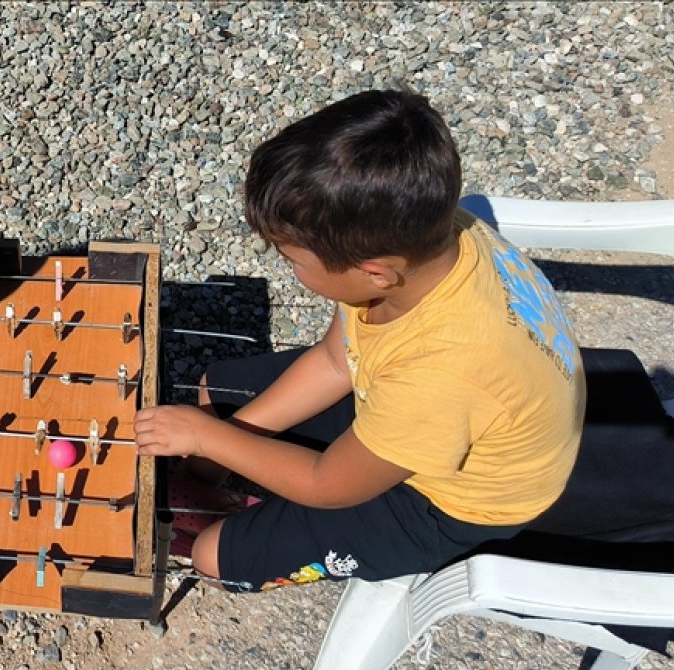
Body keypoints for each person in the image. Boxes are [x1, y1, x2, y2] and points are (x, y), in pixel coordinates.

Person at [135, 89, 586, 591]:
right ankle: (250, 484)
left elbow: (326, 484)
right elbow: (336, 361)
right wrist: (222, 441)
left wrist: (207, 438)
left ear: (376, 274)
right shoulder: (427, 243)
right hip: (420, 410)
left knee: (213, 555)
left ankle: (257, 523)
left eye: (294, 261)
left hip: (448, 502)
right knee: (216, 393)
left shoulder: (443, 372)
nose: (290, 270)